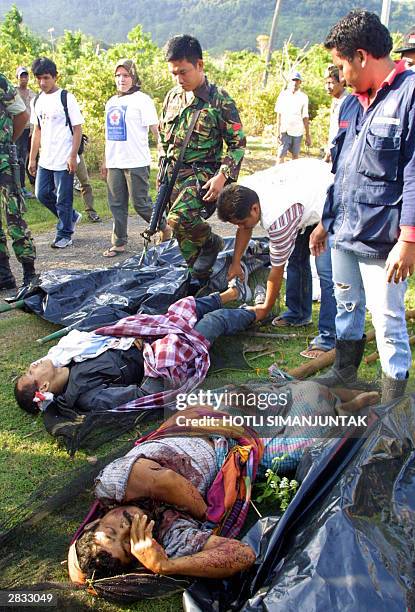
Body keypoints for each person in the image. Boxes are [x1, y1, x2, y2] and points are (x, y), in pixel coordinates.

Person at [69, 383, 378, 583]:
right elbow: (243, 555)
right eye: (127, 544)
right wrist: (166, 565)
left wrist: (206, 513)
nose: (127, 528)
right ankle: (338, 406)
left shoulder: (111, 487)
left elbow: (165, 481)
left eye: (111, 529)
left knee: (255, 397)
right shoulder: (166, 540)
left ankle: (335, 399)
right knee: (296, 443)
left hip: (202, 420)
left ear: (96, 519)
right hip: (235, 451)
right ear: (137, 560)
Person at [309, 10, 415, 402]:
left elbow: (414, 173)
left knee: (387, 321)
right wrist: (325, 222)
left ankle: (392, 401)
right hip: (344, 232)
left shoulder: (409, 96)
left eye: (341, 65)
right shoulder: (351, 105)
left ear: (361, 56)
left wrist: (408, 240)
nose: (340, 75)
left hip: (382, 238)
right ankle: (346, 372)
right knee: (346, 306)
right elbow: (341, 172)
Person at [14, 276, 253, 415]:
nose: (32, 365)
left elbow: (105, 339)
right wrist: (151, 359)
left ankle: (231, 293)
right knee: (212, 322)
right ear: (44, 386)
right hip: (156, 362)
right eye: (30, 372)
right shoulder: (86, 396)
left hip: (140, 344)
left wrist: (129, 338)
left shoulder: (69, 357)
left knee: (179, 309)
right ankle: (255, 311)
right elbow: (142, 395)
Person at [217, 159, 334, 344]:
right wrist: (235, 262)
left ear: (255, 209)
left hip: (331, 197)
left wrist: (265, 308)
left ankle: (330, 337)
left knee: (326, 269)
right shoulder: (244, 192)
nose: (240, 226)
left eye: (241, 221)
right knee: (296, 258)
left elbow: (277, 270)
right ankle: (298, 315)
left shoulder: (278, 220)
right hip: (304, 190)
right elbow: (244, 228)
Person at [158, 34, 245, 281]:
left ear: (200, 65)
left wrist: (222, 177)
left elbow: (238, 144)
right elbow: (164, 139)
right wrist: (162, 176)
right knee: (182, 237)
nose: (179, 79)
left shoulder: (220, 100)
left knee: (178, 220)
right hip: (173, 176)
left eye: (183, 72)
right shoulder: (172, 97)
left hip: (203, 177)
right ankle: (197, 279)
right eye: (174, 73)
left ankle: (212, 242)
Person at [101, 59, 168, 258]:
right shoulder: (111, 102)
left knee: (141, 204)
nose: (121, 79)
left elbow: (155, 129)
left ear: (134, 77)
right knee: (116, 204)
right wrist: (105, 161)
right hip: (115, 161)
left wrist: (162, 152)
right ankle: (119, 242)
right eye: (118, 75)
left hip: (136, 161)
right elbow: (108, 134)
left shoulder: (142, 100)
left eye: (126, 75)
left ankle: (164, 227)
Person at [29, 57, 83, 249]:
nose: (43, 83)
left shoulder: (66, 97)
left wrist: (72, 155)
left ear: (55, 76)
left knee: (63, 197)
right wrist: (32, 158)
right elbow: (37, 130)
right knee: (41, 194)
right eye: (39, 79)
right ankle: (72, 217)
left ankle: (64, 233)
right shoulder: (37, 100)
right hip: (46, 158)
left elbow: (77, 128)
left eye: (46, 78)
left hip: (65, 157)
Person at [0, 72, 37, 291]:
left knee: (14, 217)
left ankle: (29, 273)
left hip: (4, 161)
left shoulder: (1, 82)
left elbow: (22, 116)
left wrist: (6, 144)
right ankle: (4, 275)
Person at [274, 71, 311, 164]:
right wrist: (277, 131)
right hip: (285, 130)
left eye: (297, 80)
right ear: (290, 81)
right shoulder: (283, 95)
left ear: (300, 82)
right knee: (281, 155)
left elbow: (305, 116)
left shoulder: (303, 97)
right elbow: (279, 113)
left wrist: (308, 135)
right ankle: (277, 176)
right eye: (293, 80)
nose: (295, 82)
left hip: (297, 131)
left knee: (295, 157)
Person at [15, 66, 36, 198]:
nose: (24, 78)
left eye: (25, 76)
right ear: (17, 77)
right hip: (17, 129)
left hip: (30, 129)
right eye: (21, 76)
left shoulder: (32, 94)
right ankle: (20, 187)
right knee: (18, 158)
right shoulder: (13, 92)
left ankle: (29, 186)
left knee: (29, 158)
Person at [323, 64, 348, 163]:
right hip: (334, 152)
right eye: (326, 83)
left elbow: (344, 133)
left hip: (342, 154)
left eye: (331, 83)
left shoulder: (347, 102)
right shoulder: (335, 100)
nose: (328, 87)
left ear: (341, 82)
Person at [75, 153, 100, 222]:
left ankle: (91, 212)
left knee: (85, 183)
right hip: (60, 156)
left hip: (77, 154)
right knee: (63, 186)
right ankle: (67, 214)